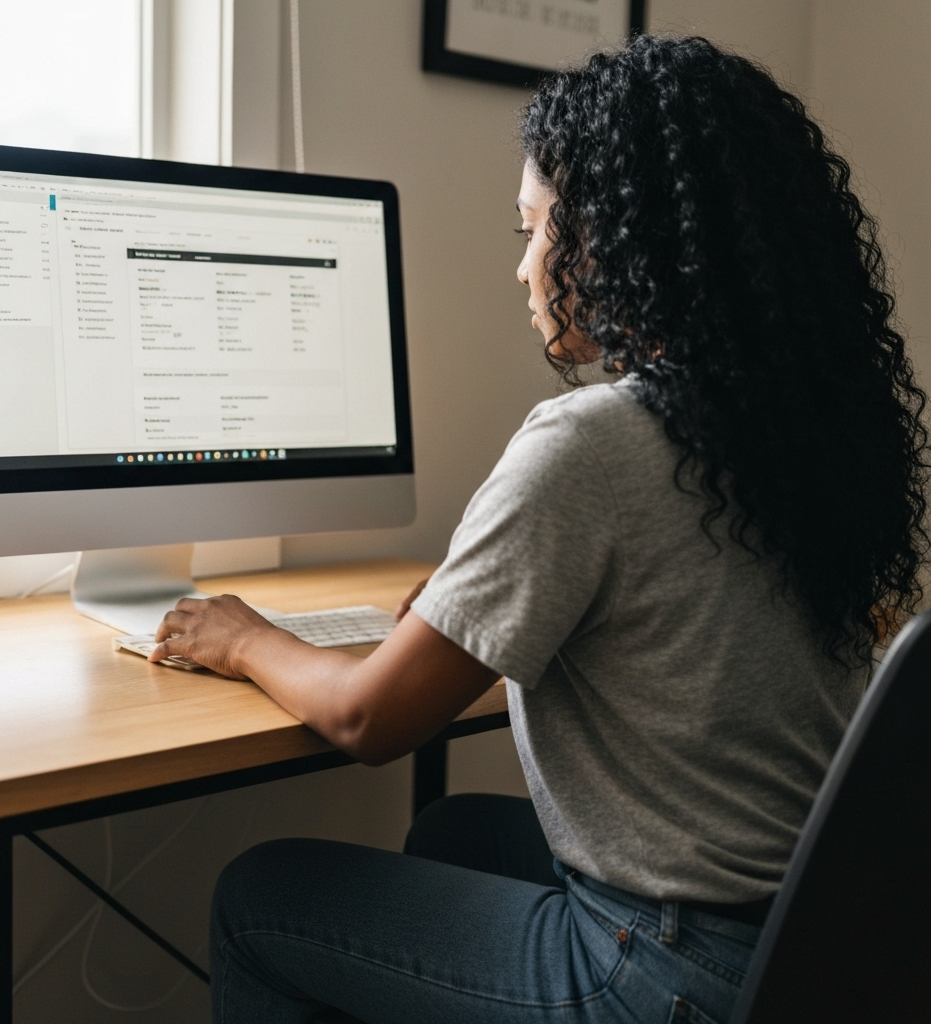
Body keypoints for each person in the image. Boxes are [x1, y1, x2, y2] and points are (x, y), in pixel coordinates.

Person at [150, 34, 929, 1024]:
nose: (523, 268)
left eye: (531, 229)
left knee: (260, 897)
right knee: (452, 833)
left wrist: (243, 635)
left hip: (667, 976)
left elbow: (367, 721)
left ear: (610, 238)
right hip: (813, 947)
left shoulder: (593, 443)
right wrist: (475, 594)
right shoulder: (790, 433)